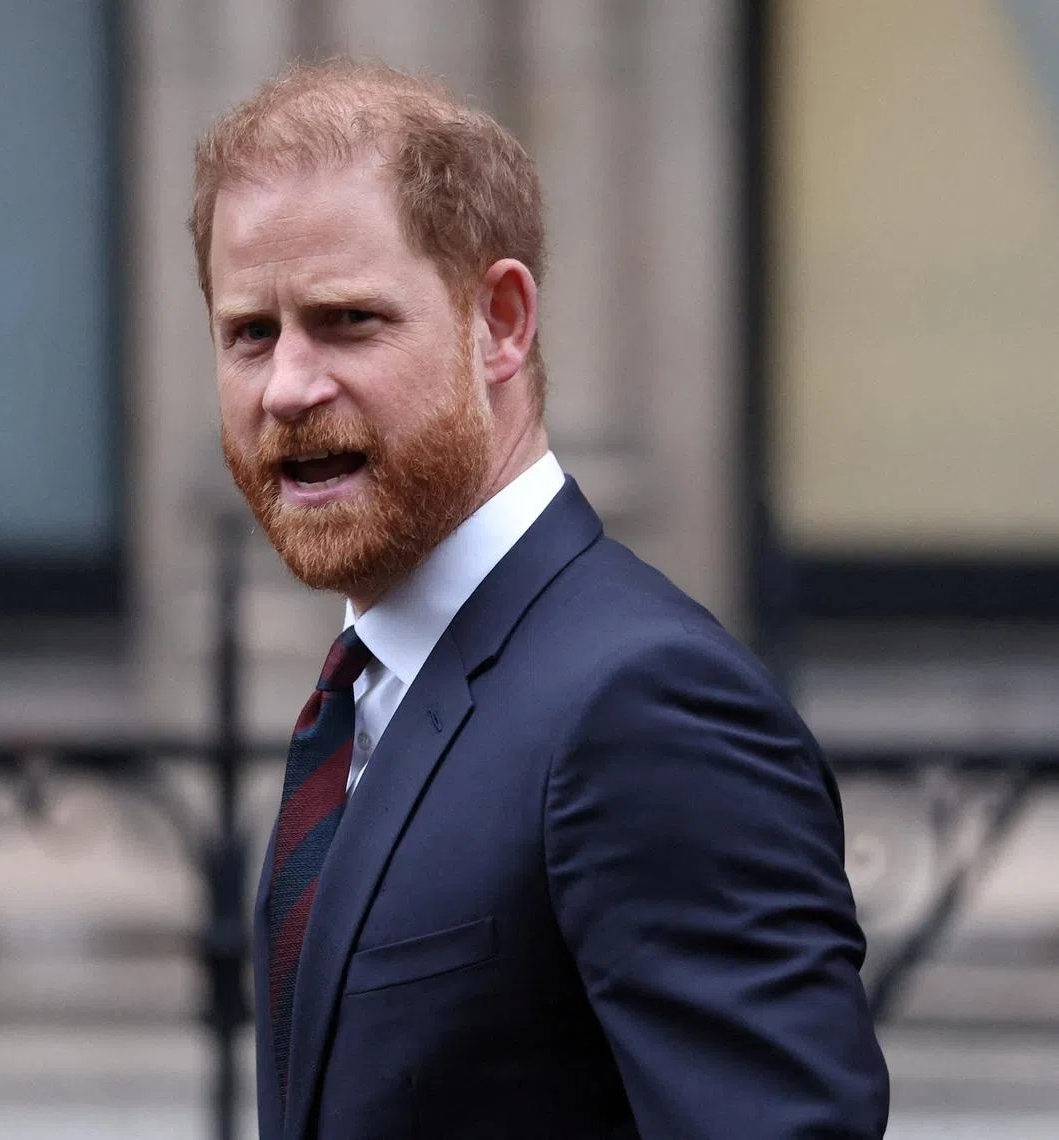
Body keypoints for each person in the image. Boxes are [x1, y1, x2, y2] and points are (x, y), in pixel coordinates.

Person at [192, 57, 889, 1140]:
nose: (287, 387)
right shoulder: (367, 699)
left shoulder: (646, 705)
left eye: (347, 321)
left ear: (502, 323)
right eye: (250, 333)